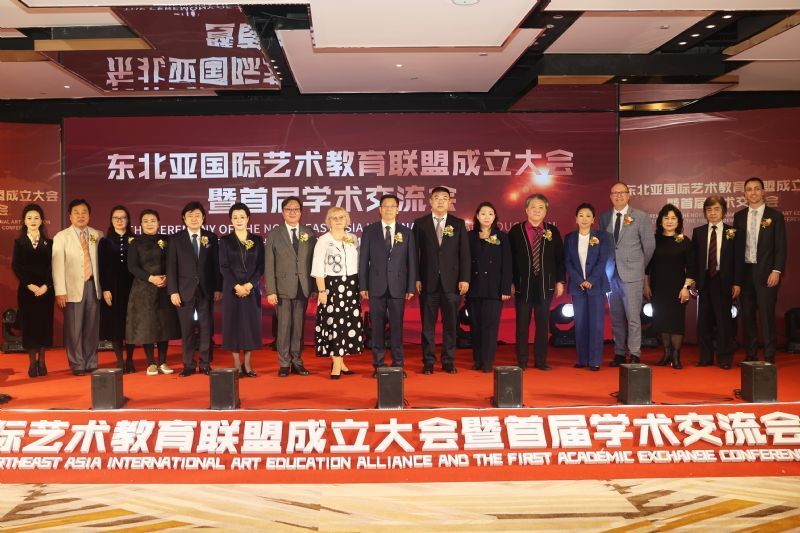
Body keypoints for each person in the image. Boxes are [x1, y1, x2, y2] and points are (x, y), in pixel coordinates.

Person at [413, 186, 470, 374]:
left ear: (449, 202)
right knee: (427, 326)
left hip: (452, 283)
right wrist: (416, 278)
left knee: (450, 325)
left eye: (444, 198)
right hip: (427, 283)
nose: (440, 201)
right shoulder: (420, 223)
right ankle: (428, 361)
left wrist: (464, 278)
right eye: (436, 197)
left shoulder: (458, 224)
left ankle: (448, 361)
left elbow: (464, 254)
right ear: (430, 201)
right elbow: (414, 254)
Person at [359, 194, 417, 378]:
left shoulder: (406, 232)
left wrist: (410, 287)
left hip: (398, 286)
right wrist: (363, 285)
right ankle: (378, 365)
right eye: (386, 206)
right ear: (380, 209)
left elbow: (412, 262)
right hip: (375, 285)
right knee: (376, 327)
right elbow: (363, 260)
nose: (389, 209)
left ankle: (398, 364)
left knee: (397, 327)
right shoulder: (370, 231)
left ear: (398, 210)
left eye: (393, 206)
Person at [598, 182, 655, 366]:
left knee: (633, 317)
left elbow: (649, 246)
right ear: (610, 196)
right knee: (616, 317)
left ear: (629, 195)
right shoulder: (604, 217)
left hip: (632, 274)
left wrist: (638, 266)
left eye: (622, 192)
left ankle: (635, 353)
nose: (618, 196)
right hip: (610, 274)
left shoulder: (640, 216)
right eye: (615, 193)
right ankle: (619, 353)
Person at [509, 193, 565, 371]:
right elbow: (509, 260)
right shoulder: (516, 231)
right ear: (526, 209)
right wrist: (510, 282)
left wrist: (560, 281)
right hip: (522, 285)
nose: (537, 210)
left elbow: (560, 259)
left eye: (541, 207)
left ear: (546, 211)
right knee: (522, 325)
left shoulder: (552, 231)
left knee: (542, 325)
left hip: (545, 285)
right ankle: (522, 361)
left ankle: (541, 361)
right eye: (533, 207)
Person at [734, 177, 787, 365]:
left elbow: (781, 247)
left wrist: (777, 271)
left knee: (766, 314)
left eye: (757, 189)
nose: (753, 192)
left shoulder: (775, 217)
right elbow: (736, 248)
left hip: (766, 272)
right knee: (747, 315)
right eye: (749, 189)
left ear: (763, 192)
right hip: (745, 273)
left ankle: (770, 354)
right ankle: (751, 353)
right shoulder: (739, 217)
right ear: (744, 194)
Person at [167, 201, 222, 377]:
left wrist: (218, 287)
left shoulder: (211, 237)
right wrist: (173, 291)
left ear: (203, 218)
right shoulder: (176, 239)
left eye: (197, 215)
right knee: (187, 329)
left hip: (206, 289)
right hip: (184, 291)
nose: (194, 218)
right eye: (190, 215)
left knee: (206, 328)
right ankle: (188, 364)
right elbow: (171, 267)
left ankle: (205, 364)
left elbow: (216, 265)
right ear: (184, 218)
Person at [264, 196, 317, 377]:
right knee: (284, 327)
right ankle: (284, 363)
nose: (292, 212)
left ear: (301, 212)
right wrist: (271, 290)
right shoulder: (274, 234)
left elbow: (313, 262)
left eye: (296, 209)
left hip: (303, 286)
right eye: (289, 209)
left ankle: (297, 361)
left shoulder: (309, 233)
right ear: (283, 212)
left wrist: (314, 287)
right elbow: (269, 264)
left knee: (298, 328)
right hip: (282, 288)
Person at [52, 198, 103, 376]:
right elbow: (57, 266)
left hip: (93, 286)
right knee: (74, 329)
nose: (81, 216)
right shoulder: (61, 237)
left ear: (89, 215)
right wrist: (60, 291)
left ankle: (91, 361)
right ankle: (77, 364)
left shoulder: (97, 234)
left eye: (84, 213)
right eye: (76, 213)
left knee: (92, 328)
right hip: (72, 288)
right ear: (70, 216)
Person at [691, 195, 743, 370]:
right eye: (709, 209)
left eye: (716, 209)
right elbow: (694, 260)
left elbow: (738, 260)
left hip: (724, 281)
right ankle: (705, 358)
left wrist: (737, 282)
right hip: (704, 280)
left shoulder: (732, 232)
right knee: (703, 322)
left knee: (724, 322)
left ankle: (724, 358)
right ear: (705, 212)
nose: (712, 213)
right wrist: (693, 280)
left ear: (724, 211)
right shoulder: (698, 232)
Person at [126, 209, 180, 375]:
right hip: (143, 288)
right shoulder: (135, 242)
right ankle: (151, 362)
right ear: (141, 224)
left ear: (159, 223)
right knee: (147, 325)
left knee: (164, 324)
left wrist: (167, 278)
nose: (149, 224)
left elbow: (174, 262)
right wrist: (151, 278)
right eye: (146, 221)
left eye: (153, 220)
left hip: (164, 287)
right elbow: (132, 266)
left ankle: (163, 361)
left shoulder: (167, 240)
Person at [312, 206, 363, 379]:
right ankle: (335, 363)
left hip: (351, 285)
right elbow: (318, 267)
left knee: (346, 324)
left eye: (342, 217)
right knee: (334, 324)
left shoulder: (352, 238)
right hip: (331, 287)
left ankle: (341, 362)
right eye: (335, 218)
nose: (339, 220)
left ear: (347, 219)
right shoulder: (323, 240)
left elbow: (358, 264)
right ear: (329, 221)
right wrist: (321, 290)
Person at [644, 204, 695, 369]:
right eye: (666, 218)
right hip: (658, 287)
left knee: (676, 323)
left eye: (673, 218)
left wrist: (686, 287)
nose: (670, 221)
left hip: (678, 289)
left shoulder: (684, 241)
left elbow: (692, 267)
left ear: (679, 221)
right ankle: (666, 354)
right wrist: (646, 286)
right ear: (660, 221)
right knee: (662, 321)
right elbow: (647, 267)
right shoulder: (653, 240)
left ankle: (676, 356)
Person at [564, 203, 613, 371]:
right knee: (580, 324)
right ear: (576, 219)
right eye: (581, 215)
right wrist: (579, 280)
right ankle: (582, 359)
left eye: (588, 216)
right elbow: (567, 262)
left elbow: (602, 260)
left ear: (593, 220)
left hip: (597, 286)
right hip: (577, 286)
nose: (584, 219)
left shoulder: (603, 236)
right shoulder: (569, 238)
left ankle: (595, 361)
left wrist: (591, 279)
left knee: (596, 325)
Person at [219, 203, 264, 377]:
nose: (239, 220)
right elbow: (223, 266)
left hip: (251, 290)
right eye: (235, 217)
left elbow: (261, 266)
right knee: (233, 325)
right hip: (232, 289)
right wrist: (236, 286)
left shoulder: (257, 240)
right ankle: (237, 363)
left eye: (242, 217)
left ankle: (248, 363)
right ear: (231, 220)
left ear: (248, 219)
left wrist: (250, 285)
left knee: (250, 325)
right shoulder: (225, 241)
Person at [466, 202, 512, 373]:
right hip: (474, 287)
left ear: (495, 217)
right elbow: (464, 262)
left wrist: (505, 288)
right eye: (483, 213)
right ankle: (477, 359)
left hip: (494, 289)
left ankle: (487, 361)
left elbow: (507, 264)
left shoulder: (502, 237)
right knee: (475, 326)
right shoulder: (469, 236)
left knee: (490, 327)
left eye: (490, 213)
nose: (487, 217)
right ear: (477, 216)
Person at [12, 203, 54, 378]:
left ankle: (42, 361)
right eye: (29, 218)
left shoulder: (49, 243)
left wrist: (46, 286)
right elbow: (16, 266)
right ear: (24, 221)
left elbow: (52, 267)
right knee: (29, 326)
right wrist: (29, 284)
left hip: (45, 291)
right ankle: (31, 362)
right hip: (27, 291)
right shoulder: (19, 243)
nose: (33, 220)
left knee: (43, 325)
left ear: (42, 221)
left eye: (36, 217)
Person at [99, 205, 136, 372]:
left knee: (130, 324)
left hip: (132, 287)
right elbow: (102, 267)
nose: (119, 221)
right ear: (111, 220)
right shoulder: (105, 242)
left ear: (128, 220)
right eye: (116, 218)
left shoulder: (135, 240)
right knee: (115, 325)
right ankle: (119, 360)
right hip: (112, 288)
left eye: (123, 218)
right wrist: (105, 289)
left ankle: (130, 359)